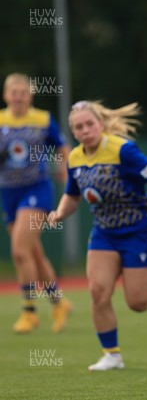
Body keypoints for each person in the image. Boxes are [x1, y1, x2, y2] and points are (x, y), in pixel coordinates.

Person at [48, 100, 147, 370]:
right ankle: (112, 355)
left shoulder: (123, 150)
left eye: (90, 124)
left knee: (138, 303)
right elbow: (73, 194)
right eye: (79, 127)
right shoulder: (75, 157)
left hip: (139, 231)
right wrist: (59, 213)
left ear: (100, 124)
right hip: (105, 233)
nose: (85, 130)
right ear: (73, 132)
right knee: (98, 292)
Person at [0, 73, 72, 334]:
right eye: (14, 91)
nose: (18, 96)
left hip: (36, 189)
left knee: (20, 251)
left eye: (23, 91)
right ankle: (58, 302)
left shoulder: (42, 119)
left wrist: (63, 168)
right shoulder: (0, 121)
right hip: (8, 193)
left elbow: (62, 147)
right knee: (33, 253)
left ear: (30, 95)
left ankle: (29, 311)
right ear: (6, 95)